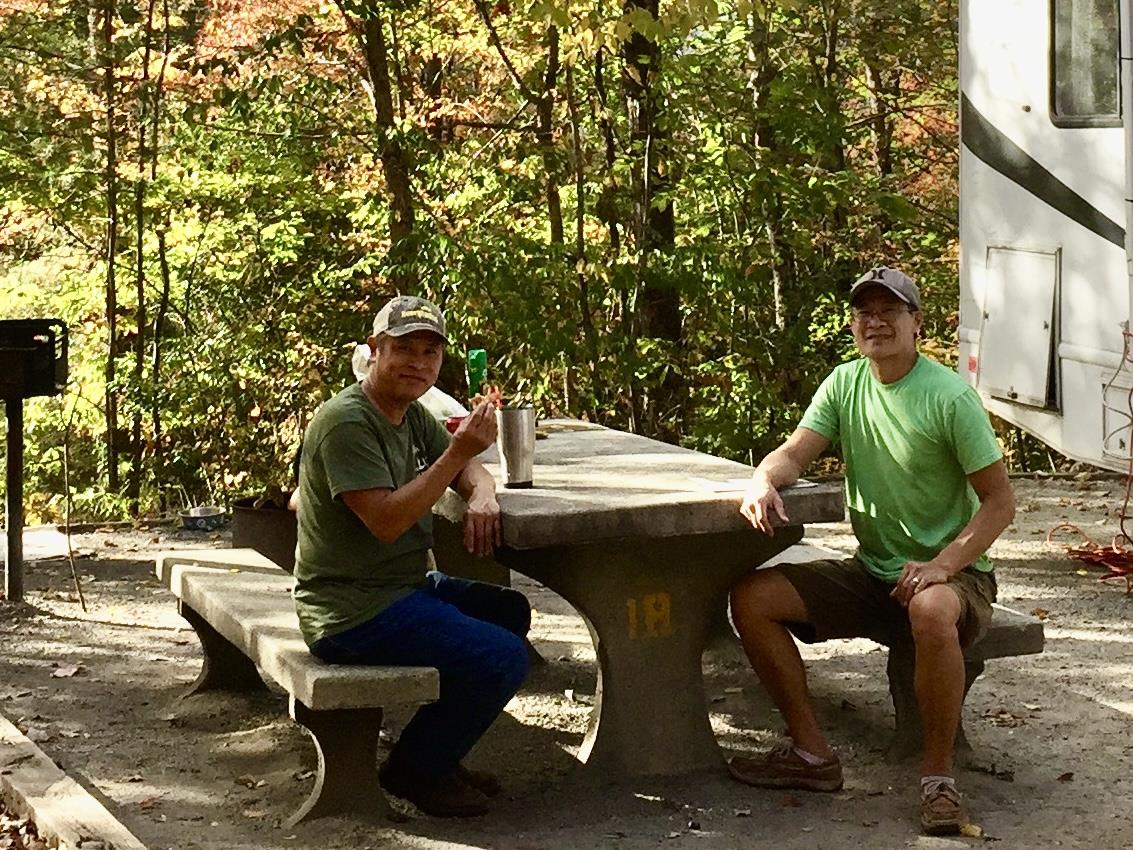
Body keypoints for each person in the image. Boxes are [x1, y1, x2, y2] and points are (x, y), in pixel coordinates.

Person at [728, 267, 1015, 836]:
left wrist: (943, 566)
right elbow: (795, 452)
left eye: (890, 310)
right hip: (874, 572)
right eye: (865, 311)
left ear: (917, 323)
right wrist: (763, 480)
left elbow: (1000, 503)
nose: (875, 321)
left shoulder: (950, 398)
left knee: (931, 609)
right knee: (752, 597)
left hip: (956, 579)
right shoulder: (845, 383)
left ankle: (938, 781)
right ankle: (812, 756)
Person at [292, 294, 530, 818]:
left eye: (430, 352)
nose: (417, 363)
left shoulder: (409, 412)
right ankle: (415, 773)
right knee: (502, 656)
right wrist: (460, 453)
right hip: (349, 611)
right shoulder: (347, 423)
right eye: (404, 349)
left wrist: (483, 494)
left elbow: (468, 470)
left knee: (510, 612)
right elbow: (386, 521)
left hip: (400, 587)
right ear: (374, 350)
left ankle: (438, 750)